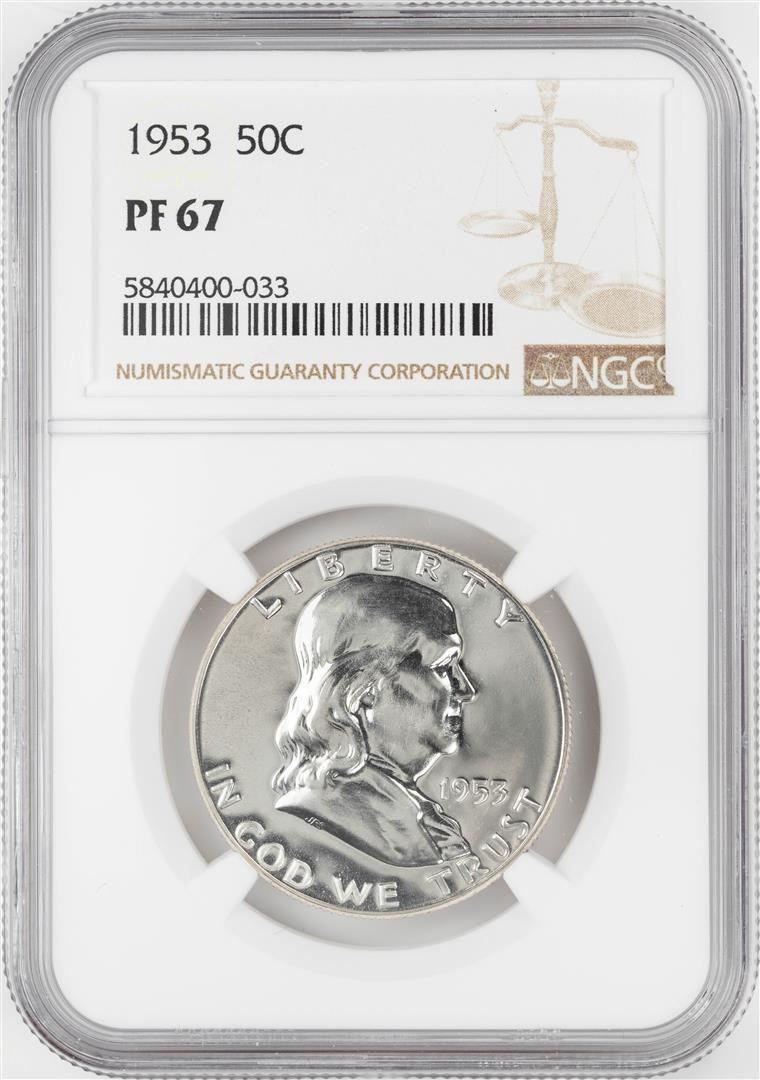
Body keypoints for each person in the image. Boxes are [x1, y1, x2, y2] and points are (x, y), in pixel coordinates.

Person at [272, 573, 477, 866]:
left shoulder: (413, 815)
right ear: (364, 689)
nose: (466, 689)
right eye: (443, 667)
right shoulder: (335, 812)